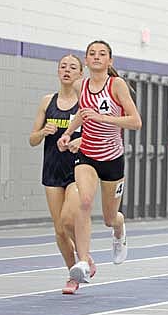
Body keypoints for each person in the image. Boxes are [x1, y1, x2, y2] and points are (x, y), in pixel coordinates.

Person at [57, 40, 142, 284]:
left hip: (112, 159)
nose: (96, 57)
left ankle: (119, 228)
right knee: (84, 202)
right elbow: (83, 115)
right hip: (87, 155)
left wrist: (104, 118)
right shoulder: (79, 85)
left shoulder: (117, 85)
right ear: (86, 60)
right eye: (92, 54)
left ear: (109, 61)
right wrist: (67, 133)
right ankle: (82, 262)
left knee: (108, 217)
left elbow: (135, 122)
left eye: (101, 54)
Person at [29, 54, 96, 294]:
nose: (67, 70)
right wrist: (43, 132)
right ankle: (74, 273)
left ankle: (84, 256)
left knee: (69, 219)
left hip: (78, 169)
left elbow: (98, 136)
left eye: (72, 67)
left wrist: (80, 140)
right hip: (52, 169)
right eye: (63, 66)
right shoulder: (48, 102)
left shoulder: (85, 103)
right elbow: (32, 140)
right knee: (59, 229)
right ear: (58, 71)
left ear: (81, 74)